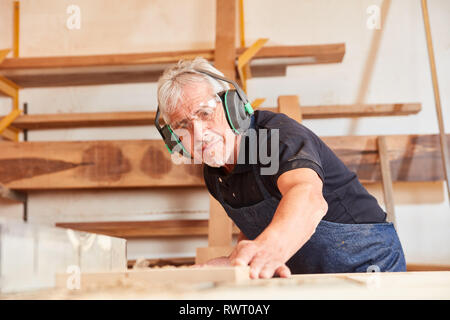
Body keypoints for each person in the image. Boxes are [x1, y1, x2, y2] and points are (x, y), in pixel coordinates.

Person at [155, 57, 406, 279]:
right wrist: (235, 262)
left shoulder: (272, 138)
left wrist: (267, 249)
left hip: (368, 265)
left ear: (232, 107)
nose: (198, 134)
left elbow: (307, 196)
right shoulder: (215, 173)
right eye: (183, 126)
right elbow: (257, 223)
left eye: (205, 113)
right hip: (309, 277)